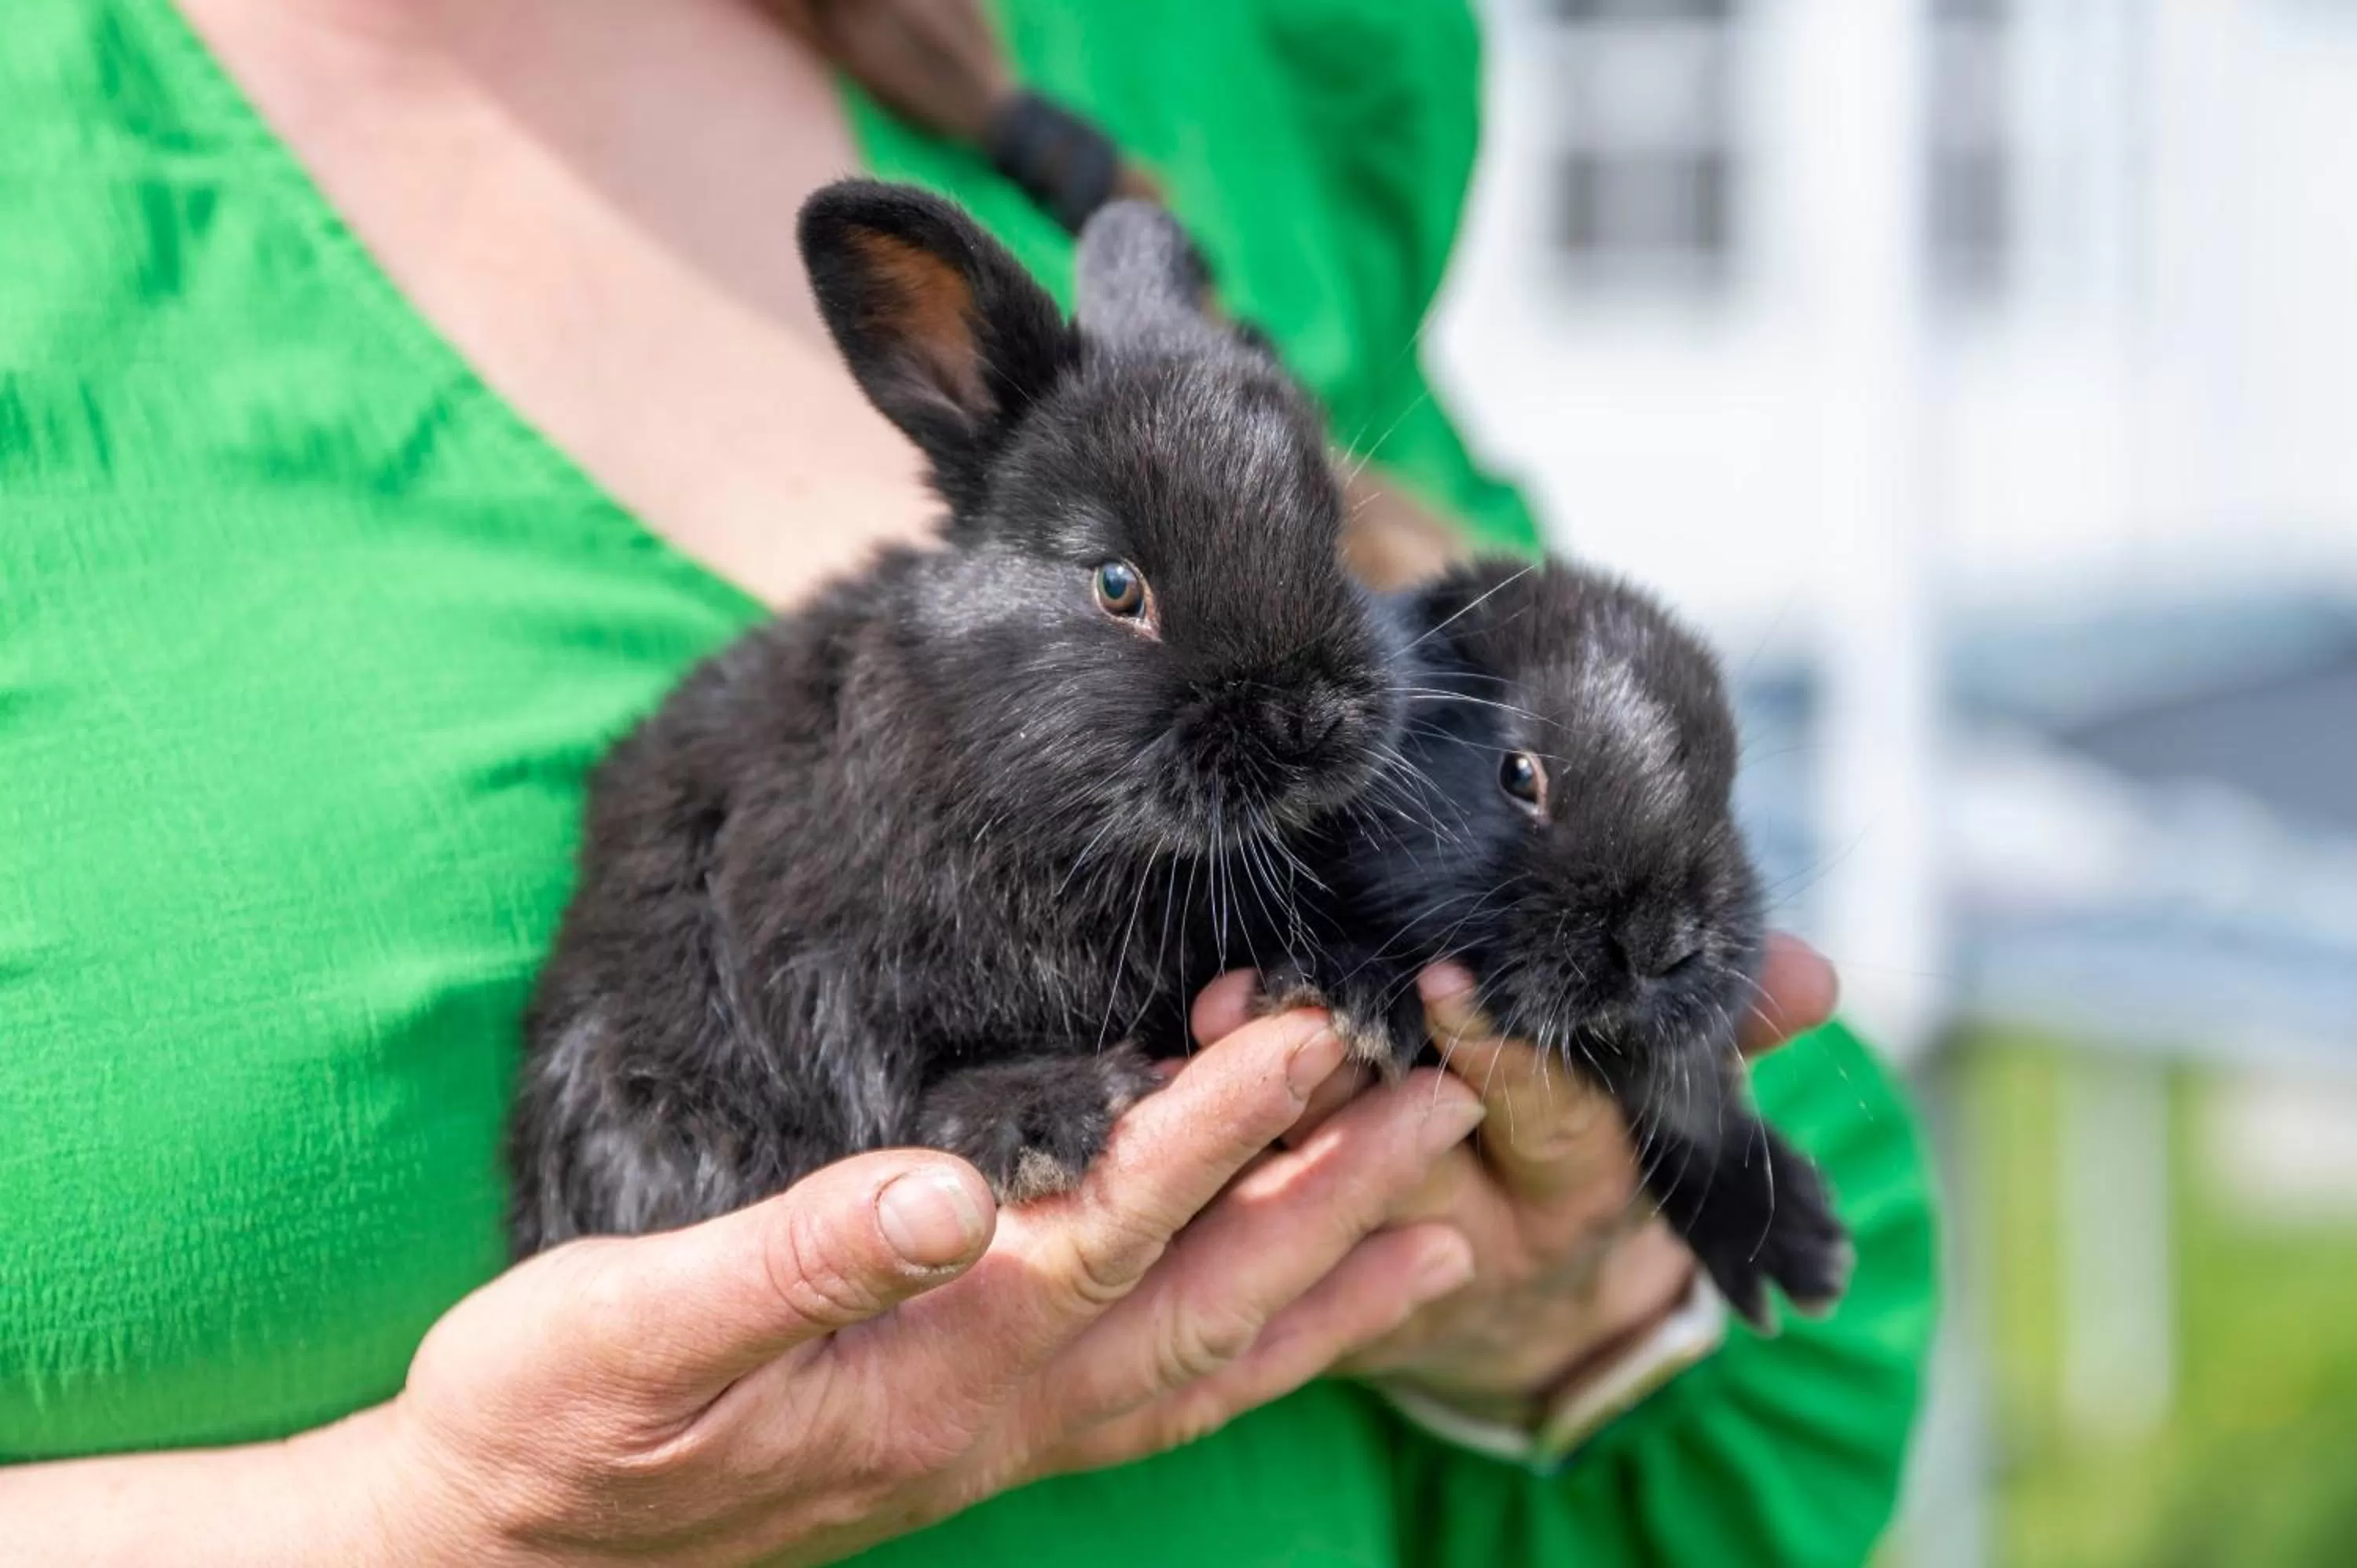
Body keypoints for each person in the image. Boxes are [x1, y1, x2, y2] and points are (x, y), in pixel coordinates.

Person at [0, 1, 1938, 1563]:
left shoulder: (1197, 55)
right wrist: (425, 1526)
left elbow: (1806, 1311)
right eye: (1122, 594)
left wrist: (1544, 1303)